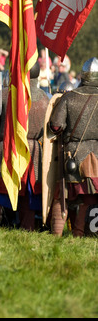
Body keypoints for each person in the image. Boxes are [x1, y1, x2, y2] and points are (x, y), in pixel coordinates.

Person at [0, 61, 50, 230]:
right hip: (33, 151)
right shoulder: (45, 98)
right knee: (28, 196)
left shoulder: (2, 95)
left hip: (6, 148)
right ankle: (27, 230)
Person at [48, 57, 98, 237]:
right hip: (97, 157)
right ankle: (83, 234)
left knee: (61, 196)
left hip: (73, 155)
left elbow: (55, 126)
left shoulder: (70, 97)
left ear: (84, 76)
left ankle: (58, 234)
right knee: (91, 197)